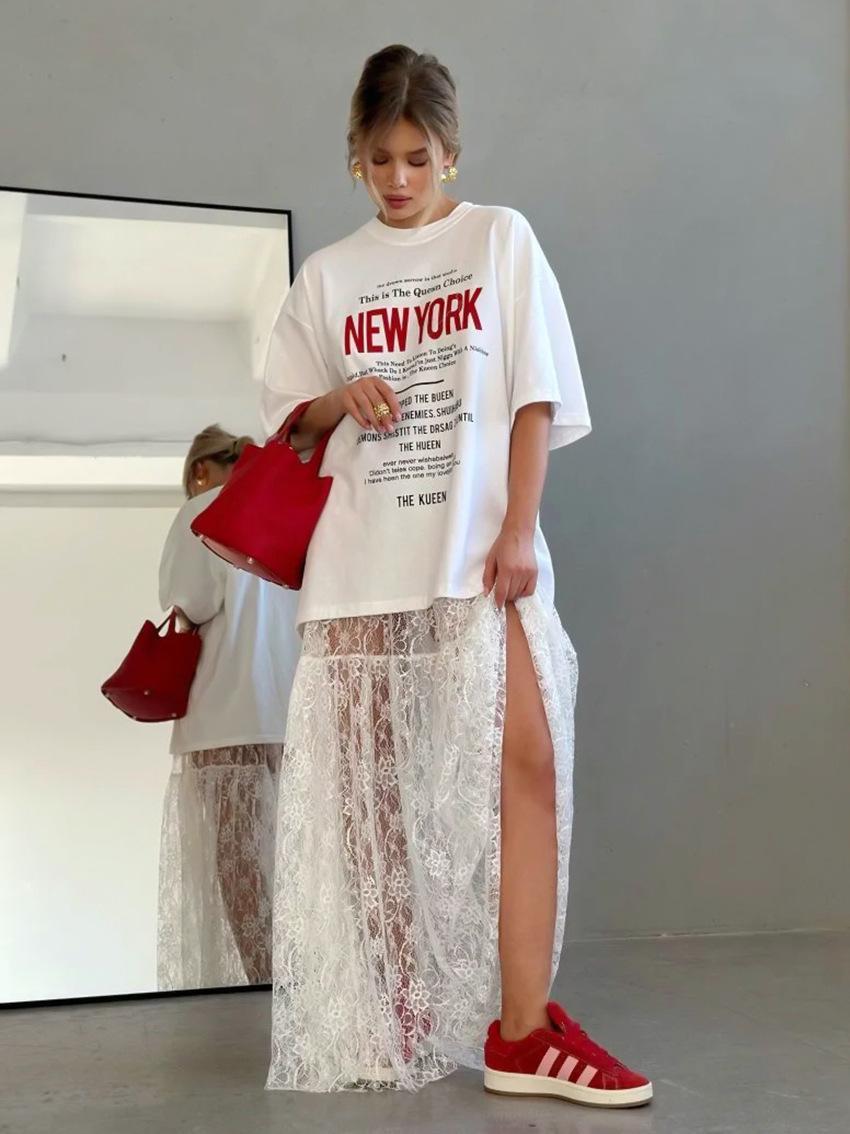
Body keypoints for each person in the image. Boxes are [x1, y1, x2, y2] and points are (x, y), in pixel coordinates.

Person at [262, 45, 653, 1107]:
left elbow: (533, 392)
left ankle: (522, 1030)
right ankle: (391, 1007)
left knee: (527, 760)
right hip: (360, 565)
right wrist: (341, 396)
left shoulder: (498, 239)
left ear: (451, 152)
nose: (397, 179)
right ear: (354, 155)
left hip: (476, 555)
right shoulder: (326, 276)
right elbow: (288, 424)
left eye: (417, 157)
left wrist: (520, 528)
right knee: (371, 799)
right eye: (378, 158)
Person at [157, 425, 300, 990]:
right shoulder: (288, 509)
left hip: (223, 713)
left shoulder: (200, 511)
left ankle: (266, 988)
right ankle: (304, 984)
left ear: (200, 470)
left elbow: (186, 604)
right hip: (290, 709)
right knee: (293, 857)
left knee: (239, 866)